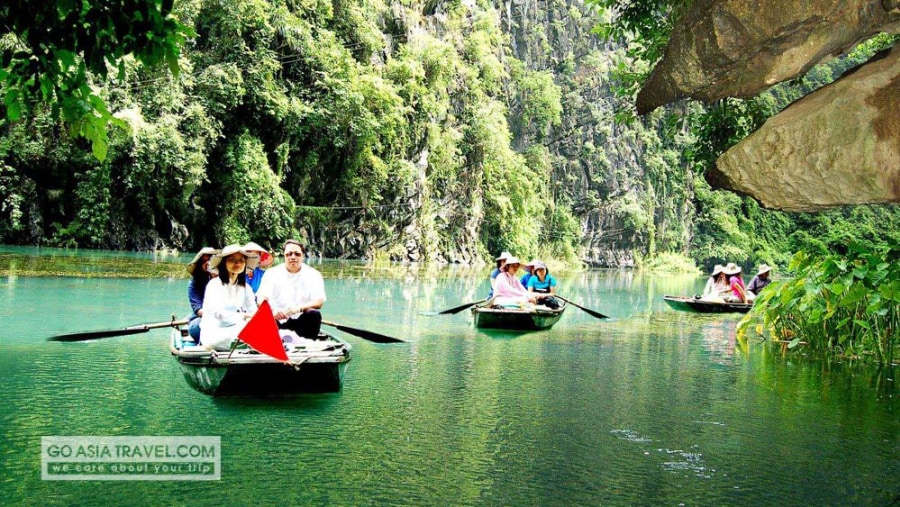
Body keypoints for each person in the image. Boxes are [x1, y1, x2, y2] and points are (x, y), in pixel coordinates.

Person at [257, 240, 326, 339]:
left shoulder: (314, 274)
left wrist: (298, 308)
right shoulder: (271, 273)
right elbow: (261, 299)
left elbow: (318, 302)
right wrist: (273, 312)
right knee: (264, 315)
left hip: (301, 320)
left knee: (314, 314)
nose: (293, 257)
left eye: (297, 254)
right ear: (284, 256)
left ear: (302, 256)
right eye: (289, 254)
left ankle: (308, 345)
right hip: (276, 319)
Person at [199, 245, 259, 350]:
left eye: (241, 260)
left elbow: (253, 312)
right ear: (223, 263)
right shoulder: (214, 285)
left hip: (236, 329)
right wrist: (244, 317)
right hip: (214, 333)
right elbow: (218, 314)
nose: (238, 263)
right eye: (232, 260)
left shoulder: (246, 288)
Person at [186, 247, 219, 342]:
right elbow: (198, 310)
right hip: (204, 318)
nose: (208, 263)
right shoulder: (194, 283)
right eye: (204, 261)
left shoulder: (226, 280)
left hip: (226, 318)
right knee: (196, 328)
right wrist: (216, 316)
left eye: (211, 260)